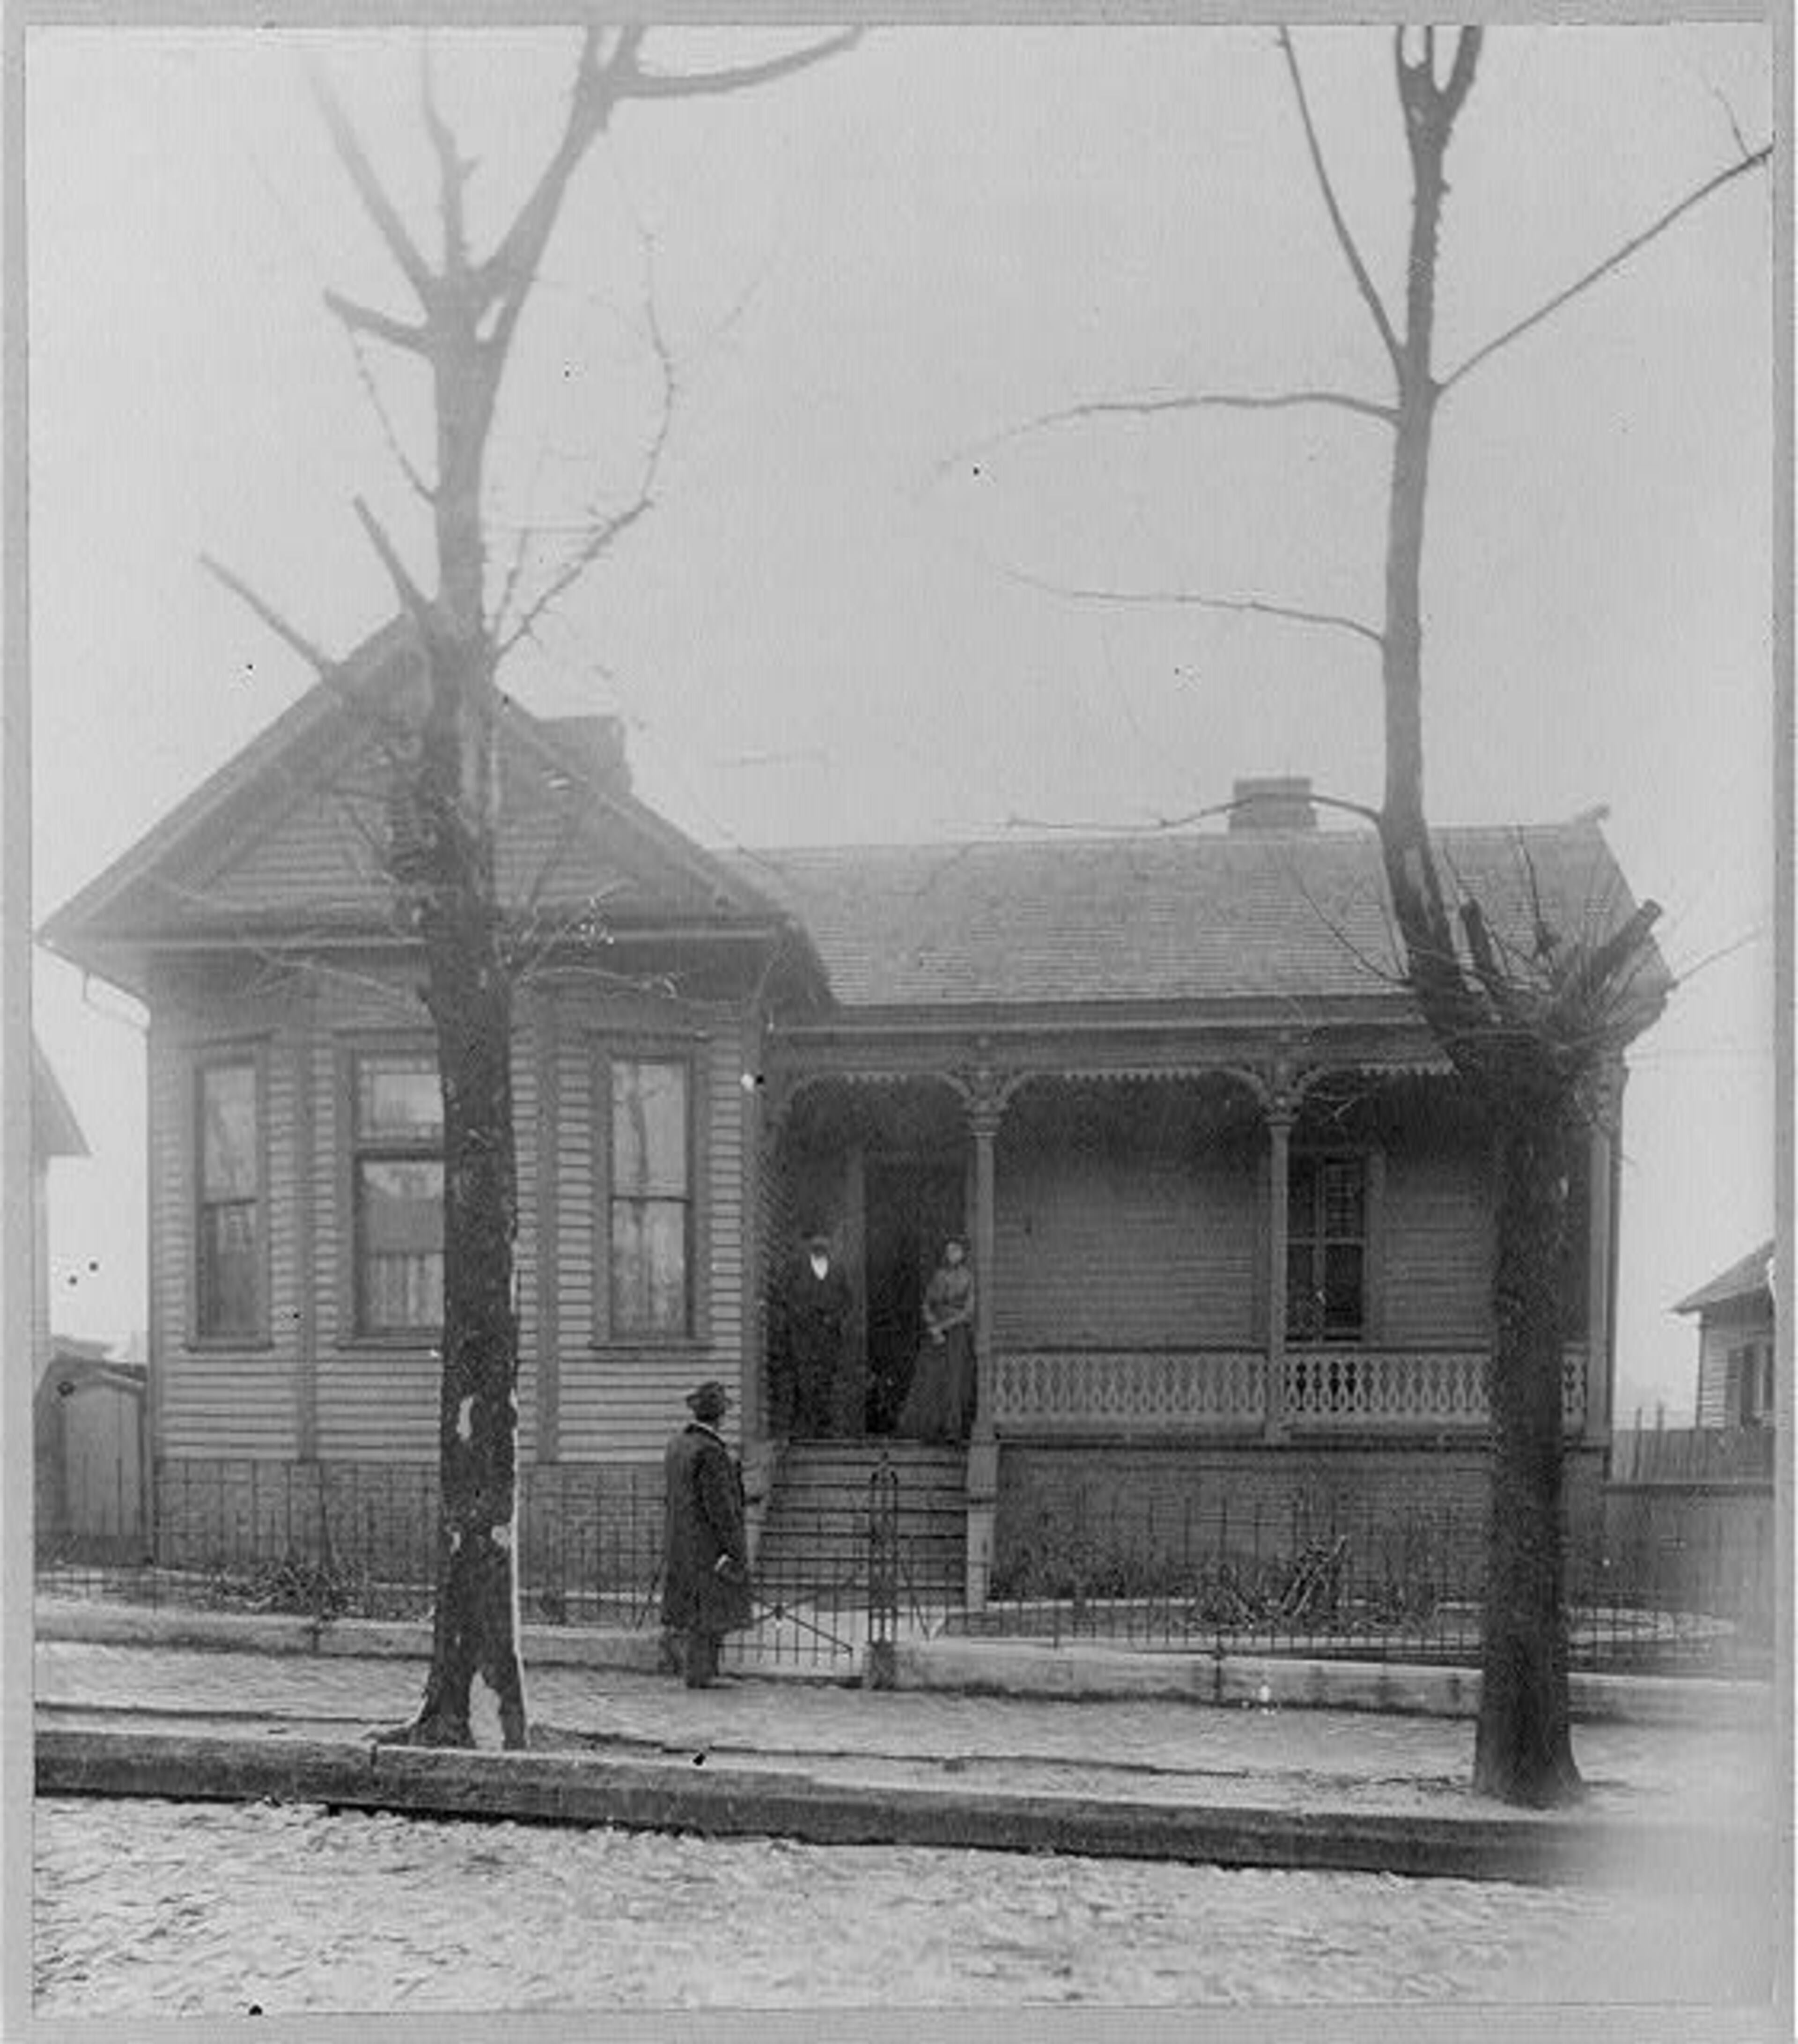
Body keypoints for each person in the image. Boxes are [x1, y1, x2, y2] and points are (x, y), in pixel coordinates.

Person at [660, 1380, 753, 1688]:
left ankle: (700, 1671)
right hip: (708, 1546)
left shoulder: (678, 1445)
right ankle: (700, 1674)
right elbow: (721, 1508)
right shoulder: (711, 1452)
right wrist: (736, 1547)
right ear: (720, 1417)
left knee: (695, 1610)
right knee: (709, 1613)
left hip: (682, 1542)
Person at [773, 1229, 854, 1438]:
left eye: (824, 1240)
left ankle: (825, 1428)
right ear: (810, 1244)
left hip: (828, 1334)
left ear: (829, 1243)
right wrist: (799, 1314)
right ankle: (803, 1428)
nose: (820, 1244)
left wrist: (834, 1317)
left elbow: (847, 1300)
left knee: (826, 1379)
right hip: (802, 1334)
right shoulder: (796, 1269)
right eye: (816, 1240)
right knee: (803, 1378)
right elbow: (784, 1294)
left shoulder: (838, 1271)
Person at [898, 1238, 976, 1444]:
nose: (952, 1254)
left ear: (964, 1253)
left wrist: (944, 1327)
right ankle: (930, 1428)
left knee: (955, 1380)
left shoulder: (969, 1278)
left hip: (957, 1334)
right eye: (949, 1250)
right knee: (933, 1378)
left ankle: (953, 1429)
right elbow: (927, 1304)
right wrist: (933, 1326)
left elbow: (968, 1312)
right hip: (936, 1336)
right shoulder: (939, 1277)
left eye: (957, 1250)